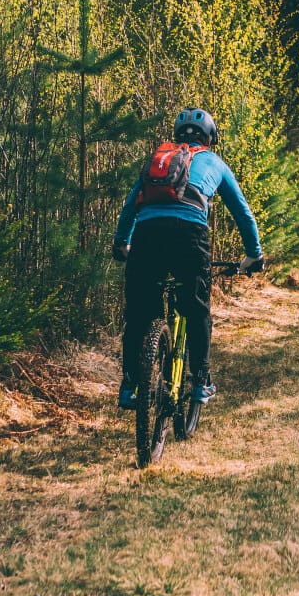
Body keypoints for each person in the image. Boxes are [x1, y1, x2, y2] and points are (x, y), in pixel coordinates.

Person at [112, 107, 264, 410]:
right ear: (210, 138)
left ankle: (129, 385)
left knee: (140, 314)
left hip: (147, 234)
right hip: (189, 235)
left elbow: (130, 206)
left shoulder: (158, 160)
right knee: (196, 309)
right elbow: (243, 214)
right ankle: (202, 381)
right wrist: (254, 254)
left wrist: (122, 244)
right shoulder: (214, 162)